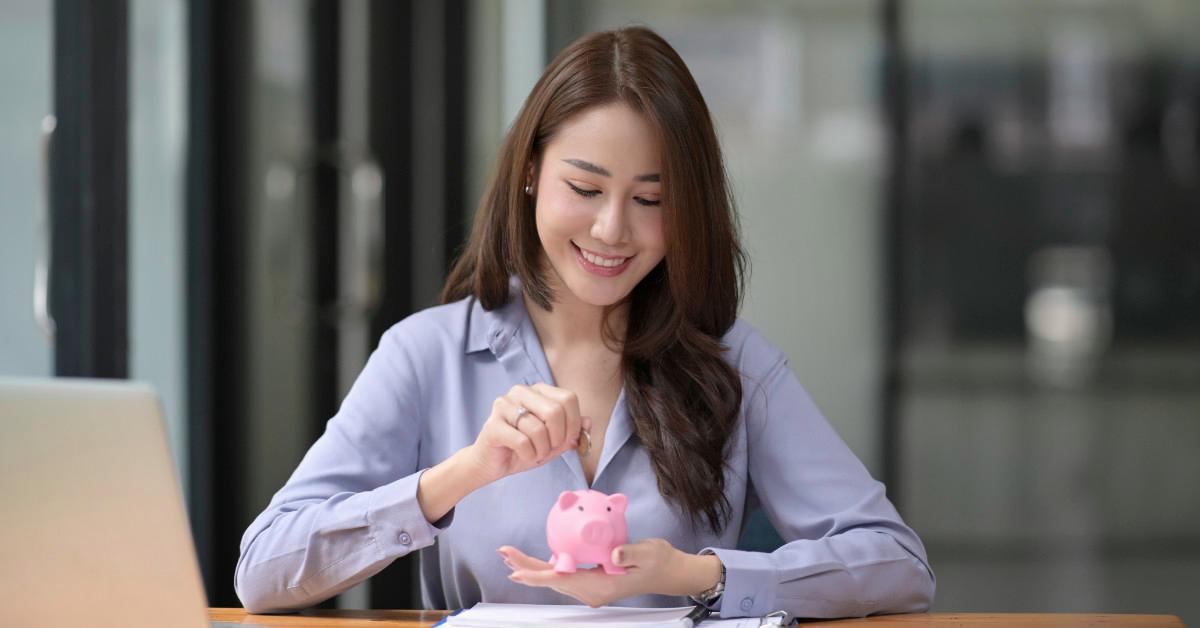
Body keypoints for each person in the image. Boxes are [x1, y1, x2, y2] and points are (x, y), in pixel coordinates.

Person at [234, 26, 935, 619]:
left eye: (650, 199)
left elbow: (896, 563)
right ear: (532, 170)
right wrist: (462, 474)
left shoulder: (734, 363)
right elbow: (264, 571)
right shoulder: (429, 354)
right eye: (586, 187)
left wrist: (691, 574)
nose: (612, 230)